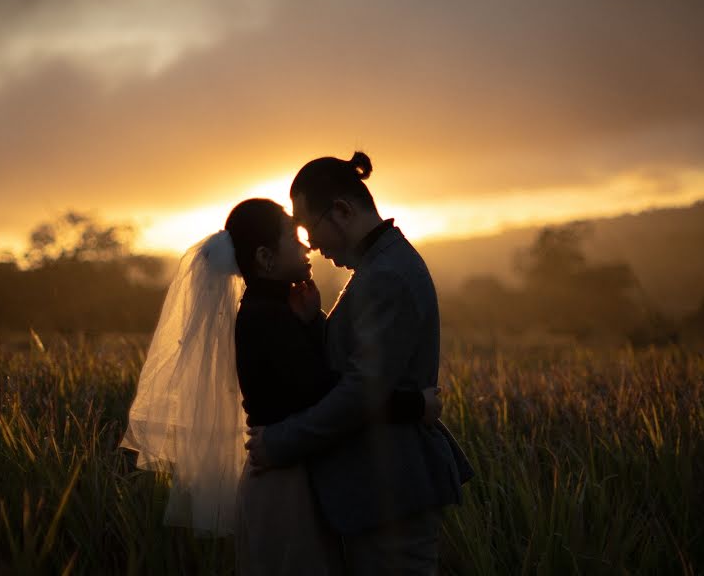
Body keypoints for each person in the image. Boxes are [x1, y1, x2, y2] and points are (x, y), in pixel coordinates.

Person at [119, 196, 440, 573]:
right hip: (285, 489)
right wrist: (414, 406)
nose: (306, 244)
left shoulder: (273, 312)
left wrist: (309, 323)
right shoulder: (264, 319)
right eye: (292, 235)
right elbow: (332, 396)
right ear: (266, 259)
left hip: (290, 477)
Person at [245, 152, 474, 575]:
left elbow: (359, 392)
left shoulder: (386, 274)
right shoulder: (380, 265)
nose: (312, 245)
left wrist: (279, 442)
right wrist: (315, 323)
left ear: (343, 212)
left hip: (391, 492)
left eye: (309, 229)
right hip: (376, 494)